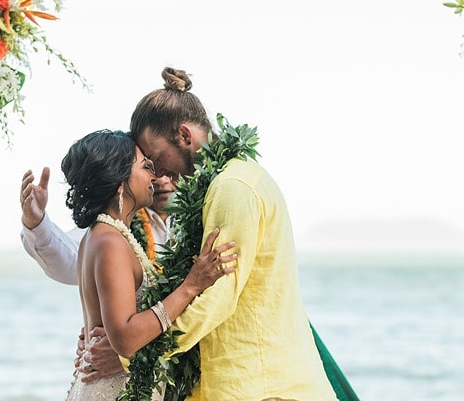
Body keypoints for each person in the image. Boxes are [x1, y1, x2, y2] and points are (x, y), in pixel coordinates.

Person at [128, 67, 338, 400]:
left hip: (259, 385)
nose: (157, 173)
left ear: (184, 135)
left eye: (155, 157)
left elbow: (218, 294)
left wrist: (138, 350)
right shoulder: (226, 182)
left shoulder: (232, 187)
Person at [34, 129, 236, 400]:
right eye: (145, 167)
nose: (155, 176)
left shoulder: (108, 235)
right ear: (120, 183)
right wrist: (191, 285)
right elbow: (126, 338)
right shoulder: (109, 241)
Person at [20, 170, 176, 381]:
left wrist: (131, 352)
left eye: (169, 172)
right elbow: (66, 260)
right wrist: (36, 223)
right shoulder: (109, 232)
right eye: (150, 169)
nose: (161, 180)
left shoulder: (201, 217)